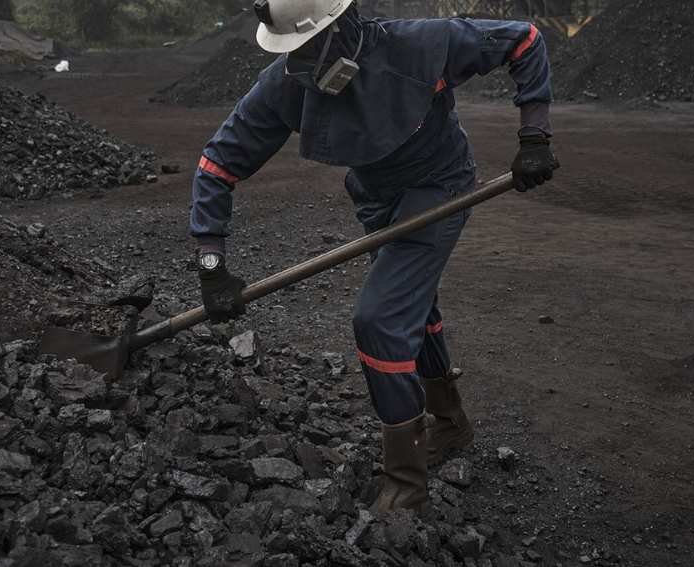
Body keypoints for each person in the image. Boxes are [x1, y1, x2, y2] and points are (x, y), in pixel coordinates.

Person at [190, 0, 558, 520]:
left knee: (380, 320)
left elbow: (524, 40)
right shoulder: (287, 82)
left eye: (311, 46)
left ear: (344, 25)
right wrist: (211, 264)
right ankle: (449, 423)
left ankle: (407, 487)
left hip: (440, 186)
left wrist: (534, 137)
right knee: (411, 303)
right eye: (294, 51)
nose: (303, 62)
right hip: (376, 200)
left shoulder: (422, 44)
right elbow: (217, 164)